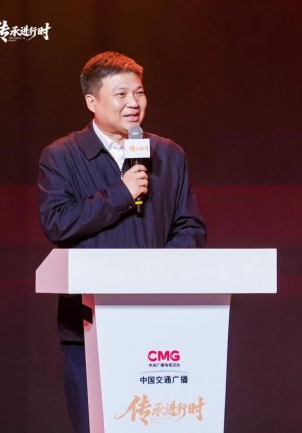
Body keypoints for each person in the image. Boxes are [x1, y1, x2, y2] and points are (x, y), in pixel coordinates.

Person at [37, 51, 206, 433]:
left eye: (139, 92)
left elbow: (190, 226)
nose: (134, 102)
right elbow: (57, 223)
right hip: (89, 325)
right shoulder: (61, 156)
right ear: (92, 102)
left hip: (158, 320)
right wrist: (121, 195)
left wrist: (157, 273)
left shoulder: (169, 154)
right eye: (121, 94)